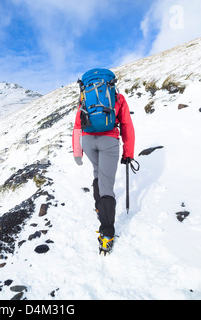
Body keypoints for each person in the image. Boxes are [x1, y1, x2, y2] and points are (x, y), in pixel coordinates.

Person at [72, 72, 135, 254]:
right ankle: (107, 234)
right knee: (106, 184)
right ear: (110, 83)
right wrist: (128, 152)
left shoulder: (85, 98)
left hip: (88, 140)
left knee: (98, 174)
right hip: (109, 141)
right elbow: (126, 125)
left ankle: (101, 209)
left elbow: (77, 125)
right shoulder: (117, 97)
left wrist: (78, 152)